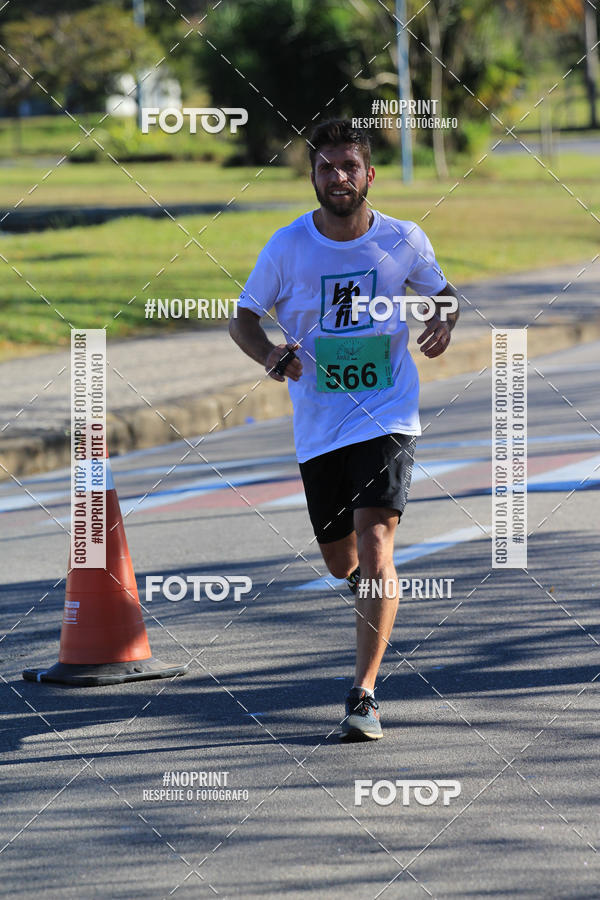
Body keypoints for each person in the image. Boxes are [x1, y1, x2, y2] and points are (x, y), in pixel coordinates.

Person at [229, 119, 458, 741]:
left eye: (349, 167)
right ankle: (367, 593)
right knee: (341, 559)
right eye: (326, 167)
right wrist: (269, 354)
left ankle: (364, 693)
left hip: (387, 413)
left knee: (377, 541)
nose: (338, 178)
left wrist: (444, 320)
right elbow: (243, 318)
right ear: (313, 176)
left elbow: (444, 294)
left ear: (368, 175)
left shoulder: (403, 239)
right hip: (320, 423)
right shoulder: (287, 246)